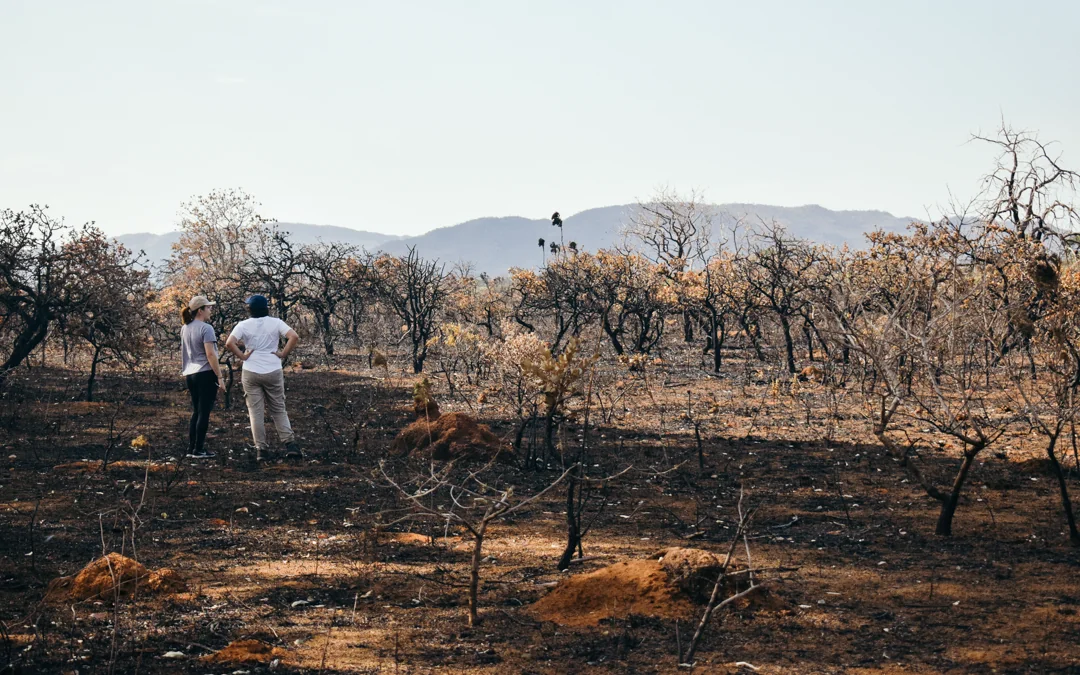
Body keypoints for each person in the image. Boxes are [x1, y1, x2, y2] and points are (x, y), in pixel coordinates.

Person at [225, 294, 303, 462]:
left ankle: (261, 450)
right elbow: (294, 336)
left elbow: (229, 342)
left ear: (249, 309)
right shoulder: (276, 322)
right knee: (278, 408)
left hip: (251, 371)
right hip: (273, 369)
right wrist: (283, 353)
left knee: (255, 412)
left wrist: (242, 356)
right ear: (266, 308)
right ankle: (290, 444)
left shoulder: (243, 325)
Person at [180, 295, 225, 458]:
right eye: (208, 307)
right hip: (205, 373)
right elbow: (210, 354)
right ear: (200, 311)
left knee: (196, 411)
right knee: (204, 412)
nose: (210, 310)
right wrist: (219, 377)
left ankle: (192, 448)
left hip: (190, 373)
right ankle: (199, 449)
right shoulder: (206, 328)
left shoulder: (185, 327)